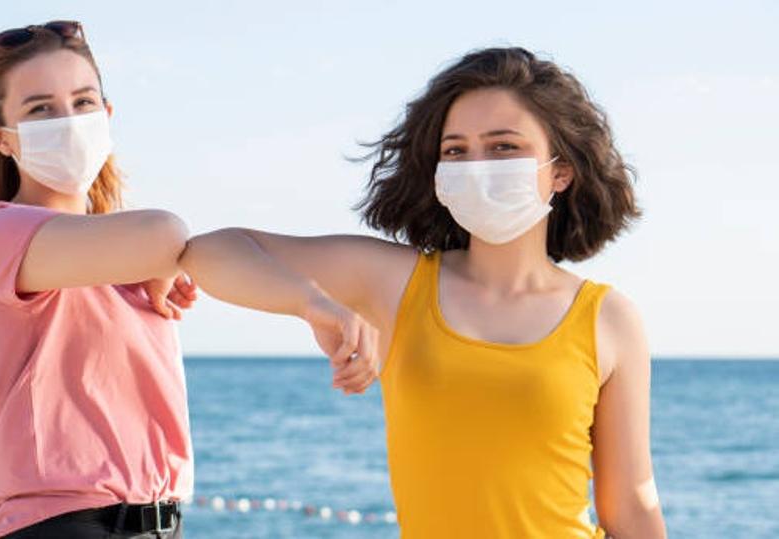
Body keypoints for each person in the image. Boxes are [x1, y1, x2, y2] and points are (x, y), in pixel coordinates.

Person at [180, 47, 668, 538]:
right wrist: (313, 304)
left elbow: (630, 505)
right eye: (456, 151)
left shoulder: (609, 319)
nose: (477, 166)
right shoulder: (395, 282)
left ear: (560, 171)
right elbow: (211, 252)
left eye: (503, 148)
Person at [0, 21, 376, 538]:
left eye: (83, 102)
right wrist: (164, 260)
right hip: (56, 522)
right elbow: (167, 233)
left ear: (107, 116)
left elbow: (209, 249)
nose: (68, 121)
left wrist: (311, 303)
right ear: (0, 136)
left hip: (157, 524)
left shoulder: (124, 253)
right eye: (40, 110)